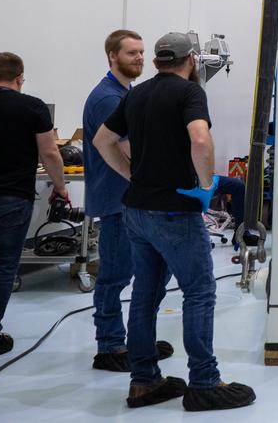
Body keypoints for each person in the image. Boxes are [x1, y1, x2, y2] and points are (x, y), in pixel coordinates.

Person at [92, 32, 254, 411]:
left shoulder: (135, 93)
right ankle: (204, 381)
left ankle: (144, 381)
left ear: (155, 62)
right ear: (191, 61)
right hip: (174, 212)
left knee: (145, 295)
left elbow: (102, 141)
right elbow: (200, 139)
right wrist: (205, 185)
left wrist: (132, 176)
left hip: (136, 211)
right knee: (199, 291)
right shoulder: (189, 93)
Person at [0, 52, 68, 360]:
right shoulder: (33, 107)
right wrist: (60, 187)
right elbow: (49, 153)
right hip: (13, 198)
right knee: (3, 266)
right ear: (19, 77)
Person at [83, 30, 175, 371]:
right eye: (131, 53)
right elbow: (128, 151)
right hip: (118, 200)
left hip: (132, 199)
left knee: (154, 272)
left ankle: (137, 339)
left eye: (141, 52)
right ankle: (109, 345)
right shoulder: (109, 99)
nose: (138, 58)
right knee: (116, 275)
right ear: (112, 56)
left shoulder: (127, 94)